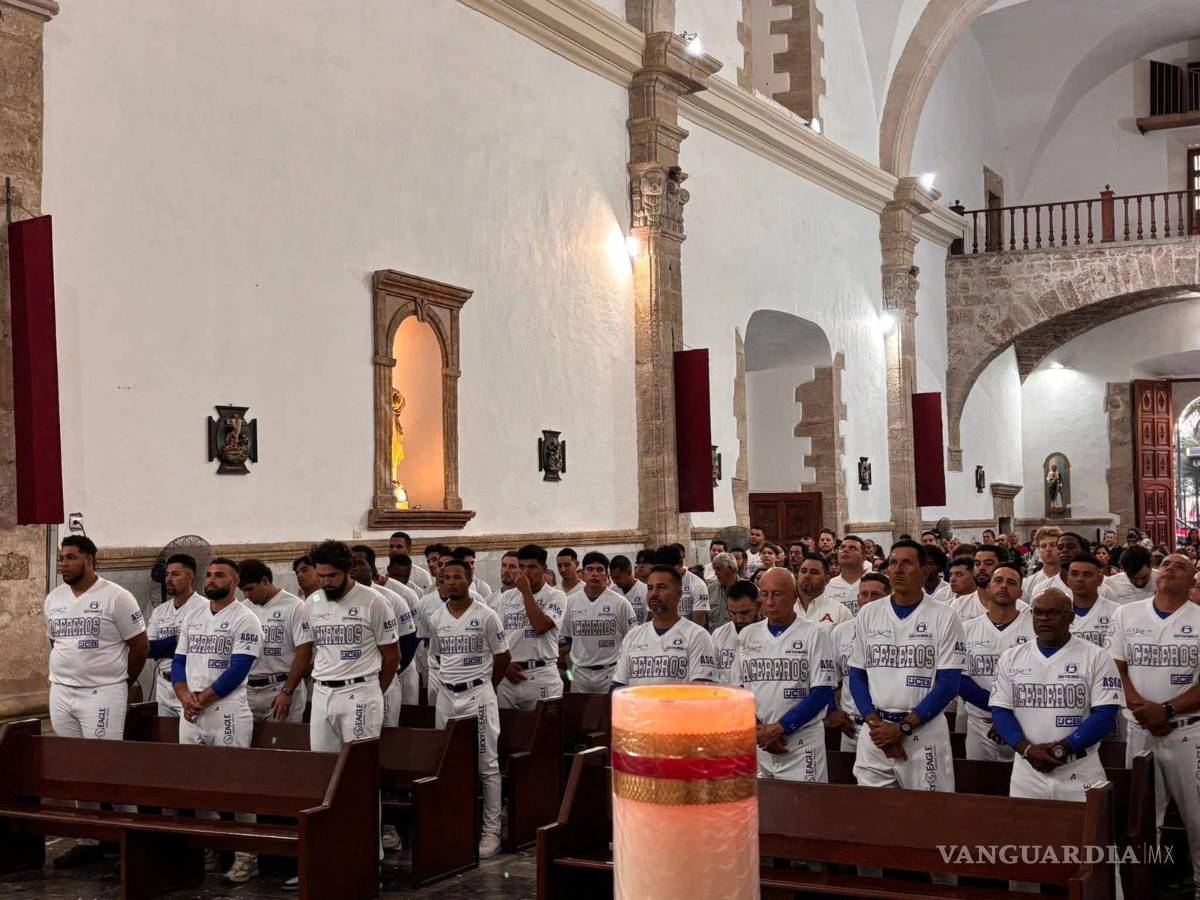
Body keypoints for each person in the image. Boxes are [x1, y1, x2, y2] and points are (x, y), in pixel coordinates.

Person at [43, 536, 149, 870]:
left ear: (90, 560)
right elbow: (55, 641)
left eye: (70, 557)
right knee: (78, 768)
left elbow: (140, 645)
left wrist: (121, 682)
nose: (63, 564)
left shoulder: (116, 597)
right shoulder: (54, 598)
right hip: (62, 691)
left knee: (107, 766)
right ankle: (90, 839)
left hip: (102, 693)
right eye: (61, 558)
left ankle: (130, 837)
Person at [1108, 553, 1200, 895]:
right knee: (1143, 819)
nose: (1171, 568)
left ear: (1193, 580)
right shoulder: (1126, 614)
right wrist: (1144, 710)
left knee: (1198, 818)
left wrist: (1167, 709)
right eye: (1167, 564)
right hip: (1139, 729)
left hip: (1188, 731)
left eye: (1181, 566)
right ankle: (1142, 888)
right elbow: (1116, 667)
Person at [173, 557, 263, 884]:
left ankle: (246, 854)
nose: (212, 579)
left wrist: (203, 698)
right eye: (209, 574)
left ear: (235, 582)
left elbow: (239, 668)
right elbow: (180, 660)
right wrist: (184, 695)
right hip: (191, 709)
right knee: (194, 782)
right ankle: (209, 847)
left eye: (220, 575)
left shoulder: (246, 619)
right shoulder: (194, 615)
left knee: (236, 783)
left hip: (226, 709)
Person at [848, 540, 963, 792]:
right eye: (893, 563)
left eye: (907, 563)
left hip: (923, 732)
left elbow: (948, 684)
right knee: (874, 816)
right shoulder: (869, 614)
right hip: (875, 732)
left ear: (925, 571)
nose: (898, 569)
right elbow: (856, 674)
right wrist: (875, 724)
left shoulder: (944, 616)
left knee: (929, 818)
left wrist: (903, 728)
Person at [990, 588, 1123, 804]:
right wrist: (1027, 749)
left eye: (1053, 613)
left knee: (1086, 837)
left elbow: (1106, 716)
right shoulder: (1011, 657)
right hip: (1027, 771)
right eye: (1038, 612)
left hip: (1079, 769)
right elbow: (1000, 711)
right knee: (1026, 836)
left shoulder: (1096, 656)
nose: (1044, 618)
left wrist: (1063, 749)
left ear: (1070, 617)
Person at [428, 558, 511, 859]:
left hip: (478, 693)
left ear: (469, 578)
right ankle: (453, 824)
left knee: (486, 763)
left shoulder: (487, 616)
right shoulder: (437, 618)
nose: (451, 582)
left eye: (457, 577)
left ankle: (491, 831)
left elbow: (502, 658)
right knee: (447, 762)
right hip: (447, 696)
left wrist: (485, 686)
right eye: (446, 577)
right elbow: (437, 656)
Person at [732, 568, 836, 781]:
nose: (769, 601)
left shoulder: (814, 633)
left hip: (801, 744)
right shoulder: (747, 634)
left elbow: (822, 692)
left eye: (777, 594)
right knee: (764, 810)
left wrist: (781, 728)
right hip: (760, 742)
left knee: (806, 809)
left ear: (794, 596)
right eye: (764, 594)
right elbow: (739, 690)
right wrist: (760, 730)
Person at [957, 564, 1035, 761]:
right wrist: (999, 711)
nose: (1004, 586)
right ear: (988, 586)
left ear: (1020, 592)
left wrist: (1008, 717)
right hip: (979, 721)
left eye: (1011, 583)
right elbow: (959, 678)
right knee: (980, 785)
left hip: (1025, 723)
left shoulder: (1034, 629)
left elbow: (1040, 679)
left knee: (1022, 788)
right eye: (998, 581)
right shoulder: (966, 628)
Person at [613, 566, 716, 687]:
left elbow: (702, 688)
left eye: (661, 587)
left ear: (679, 594)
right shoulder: (633, 636)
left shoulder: (697, 635)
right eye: (650, 588)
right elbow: (619, 685)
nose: (654, 594)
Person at [238, 558, 312, 724]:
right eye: (243, 591)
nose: (247, 595)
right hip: (249, 689)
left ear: (265, 580)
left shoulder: (295, 606)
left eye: (250, 589)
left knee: (281, 744)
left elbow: (305, 651)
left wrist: (287, 691)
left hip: (280, 685)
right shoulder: (244, 608)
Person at [494, 544, 566, 710]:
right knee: (508, 732)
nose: (526, 572)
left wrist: (526, 592)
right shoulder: (507, 597)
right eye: (522, 567)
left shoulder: (556, 596)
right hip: (509, 676)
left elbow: (540, 626)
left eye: (532, 567)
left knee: (542, 732)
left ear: (544, 569)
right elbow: (498, 637)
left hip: (541, 674)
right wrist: (504, 666)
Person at [349, 558, 417, 731]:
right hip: (352, 683)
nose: (353, 571)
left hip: (382, 677)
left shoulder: (390, 599)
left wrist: (388, 674)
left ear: (371, 571)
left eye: (358, 566)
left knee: (385, 735)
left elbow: (408, 641)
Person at [828, 574, 890, 753]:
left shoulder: (899, 631)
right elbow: (830, 679)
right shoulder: (841, 631)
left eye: (875, 595)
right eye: (864, 594)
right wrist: (833, 710)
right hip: (852, 728)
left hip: (888, 727)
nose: (868, 600)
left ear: (888, 598)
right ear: (857, 598)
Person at [560, 552, 636, 693]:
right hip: (580, 673)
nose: (595, 574)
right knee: (581, 714)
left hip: (611, 671)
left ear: (606, 575)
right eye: (590, 569)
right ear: (582, 574)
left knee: (609, 713)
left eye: (600, 570)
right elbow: (566, 639)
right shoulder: (570, 602)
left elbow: (632, 641)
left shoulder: (620, 603)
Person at [145, 553, 206, 716]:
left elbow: (198, 651)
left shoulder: (204, 608)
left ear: (190, 577)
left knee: (191, 735)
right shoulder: (160, 611)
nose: (168, 579)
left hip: (191, 684)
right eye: (167, 574)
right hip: (164, 683)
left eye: (175, 574)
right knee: (165, 735)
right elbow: (149, 649)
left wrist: (165, 645)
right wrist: (176, 641)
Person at [1064, 555, 1120, 648]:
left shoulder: (1117, 612)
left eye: (1087, 575)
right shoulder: (1059, 613)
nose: (1079, 579)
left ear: (1100, 580)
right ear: (1067, 579)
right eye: (1074, 574)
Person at [711, 581, 760, 685]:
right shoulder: (718, 635)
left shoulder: (768, 634)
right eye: (732, 613)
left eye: (745, 613)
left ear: (758, 606)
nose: (738, 619)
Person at [794, 554, 853, 632]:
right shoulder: (785, 607)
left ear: (827, 579)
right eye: (803, 571)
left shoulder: (841, 613)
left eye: (814, 572)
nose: (807, 575)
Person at [658, 544, 710, 627]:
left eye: (670, 570)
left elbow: (698, 623)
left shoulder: (698, 585)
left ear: (680, 564)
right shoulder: (656, 585)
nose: (666, 575)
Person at [824, 535, 866, 616]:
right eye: (842, 547)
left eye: (852, 548)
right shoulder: (827, 586)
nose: (845, 550)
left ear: (864, 556)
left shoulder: (878, 581)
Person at [1022, 526, 1063, 601]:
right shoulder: (1029, 583)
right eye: (1043, 546)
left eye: (1053, 545)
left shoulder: (1071, 580)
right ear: (1038, 550)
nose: (1048, 549)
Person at [704, 551, 740, 630]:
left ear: (730, 568)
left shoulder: (748, 589)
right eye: (715, 569)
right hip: (714, 638)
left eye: (718, 569)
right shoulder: (710, 590)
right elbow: (705, 620)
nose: (715, 573)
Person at [610, 554, 647, 624]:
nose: (614, 581)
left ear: (629, 572)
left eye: (618, 577)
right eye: (612, 578)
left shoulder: (645, 591)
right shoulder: (613, 591)